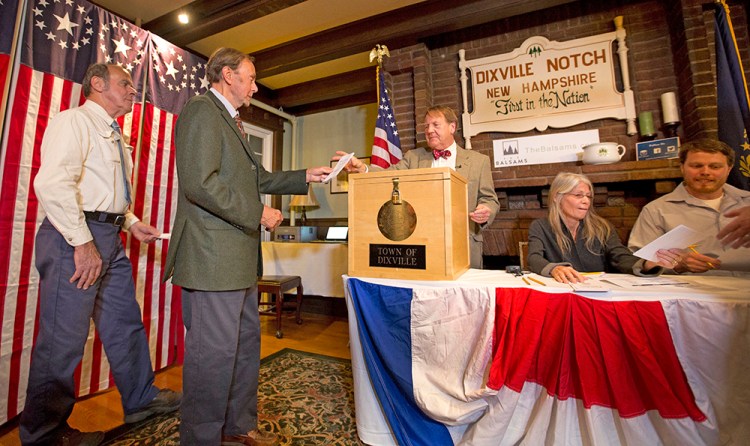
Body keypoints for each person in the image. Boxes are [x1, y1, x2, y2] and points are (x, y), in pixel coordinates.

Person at [162, 47, 332, 446]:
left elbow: (259, 177)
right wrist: (258, 214)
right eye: (250, 78)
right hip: (211, 259)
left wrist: (306, 174)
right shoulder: (202, 111)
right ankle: (202, 439)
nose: (255, 87)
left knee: (241, 351)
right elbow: (199, 183)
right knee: (211, 359)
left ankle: (238, 426)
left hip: (238, 260)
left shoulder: (232, 121)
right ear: (226, 75)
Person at [21, 64, 181, 446]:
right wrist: (81, 242)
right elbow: (54, 183)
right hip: (72, 237)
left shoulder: (114, 135)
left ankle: (141, 399)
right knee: (63, 340)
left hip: (107, 236)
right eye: (125, 84)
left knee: (124, 322)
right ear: (97, 84)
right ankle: (43, 434)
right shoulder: (73, 122)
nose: (132, 92)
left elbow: (105, 194)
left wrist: (130, 222)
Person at [338, 105, 499, 268]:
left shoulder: (479, 161)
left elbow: (490, 199)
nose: (429, 130)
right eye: (426, 126)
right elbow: (387, 176)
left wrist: (486, 209)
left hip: (464, 243)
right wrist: (362, 168)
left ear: (452, 127)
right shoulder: (413, 157)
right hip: (422, 245)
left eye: (435, 125)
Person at [629, 139, 750, 274]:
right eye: (697, 166)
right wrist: (677, 266)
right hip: (694, 290)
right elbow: (640, 264)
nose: (705, 172)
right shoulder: (656, 210)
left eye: (715, 167)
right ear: (682, 167)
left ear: (729, 169)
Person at [528, 172, 666, 283]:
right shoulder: (540, 226)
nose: (586, 201)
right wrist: (554, 268)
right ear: (557, 197)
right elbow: (534, 258)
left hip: (598, 294)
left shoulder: (603, 227)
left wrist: (645, 264)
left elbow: (620, 256)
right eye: (578, 195)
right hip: (561, 293)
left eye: (588, 196)